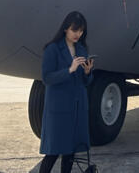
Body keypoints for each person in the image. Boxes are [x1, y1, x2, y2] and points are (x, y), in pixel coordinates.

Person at [38, 11, 95, 173]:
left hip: (77, 108)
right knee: (53, 152)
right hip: (59, 108)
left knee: (70, 151)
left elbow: (86, 82)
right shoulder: (52, 49)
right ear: (65, 29)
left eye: (81, 31)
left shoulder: (82, 49)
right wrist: (69, 70)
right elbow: (47, 78)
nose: (78, 34)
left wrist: (87, 72)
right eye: (74, 30)